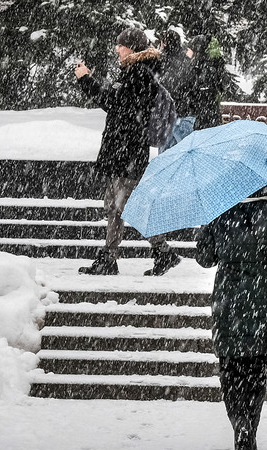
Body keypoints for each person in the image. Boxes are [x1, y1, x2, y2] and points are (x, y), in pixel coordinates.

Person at [74, 27, 181, 276]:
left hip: (127, 153)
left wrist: (85, 79)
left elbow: (113, 105)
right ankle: (160, 253)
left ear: (131, 48)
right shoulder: (138, 73)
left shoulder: (138, 75)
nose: (116, 49)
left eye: (120, 45)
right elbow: (118, 105)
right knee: (122, 206)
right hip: (127, 152)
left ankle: (116, 259)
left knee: (118, 207)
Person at [195, 183, 267, 450]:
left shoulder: (220, 212)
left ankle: (239, 423)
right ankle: (251, 427)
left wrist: (206, 229)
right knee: (257, 369)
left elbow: (204, 258)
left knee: (231, 370)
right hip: (264, 299)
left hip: (229, 301)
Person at [156, 28, 196, 152]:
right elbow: (192, 86)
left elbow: (162, 87)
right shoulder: (186, 61)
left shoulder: (161, 62)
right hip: (185, 114)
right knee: (187, 153)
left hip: (168, 115)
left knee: (165, 157)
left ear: (165, 43)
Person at [185, 34, 227, 130]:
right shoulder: (215, 61)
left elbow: (194, 85)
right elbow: (221, 85)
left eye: (190, 49)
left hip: (201, 110)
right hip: (212, 109)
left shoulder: (198, 64)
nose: (187, 52)